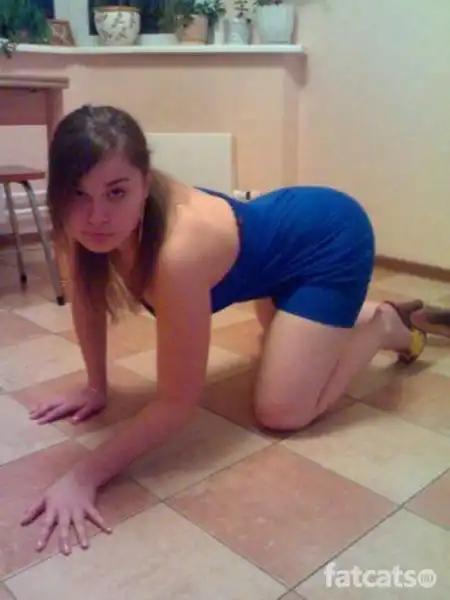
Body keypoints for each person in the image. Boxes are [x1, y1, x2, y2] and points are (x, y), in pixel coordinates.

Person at [21, 104, 429, 556]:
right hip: (272, 253)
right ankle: (322, 312)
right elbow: (87, 299)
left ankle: (382, 325)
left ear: (144, 182)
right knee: (280, 345)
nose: (96, 215)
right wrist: (96, 386)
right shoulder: (78, 224)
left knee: (282, 411)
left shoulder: (176, 254)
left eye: (116, 192)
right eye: (78, 193)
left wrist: (84, 476)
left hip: (327, 237)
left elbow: (177, 403)